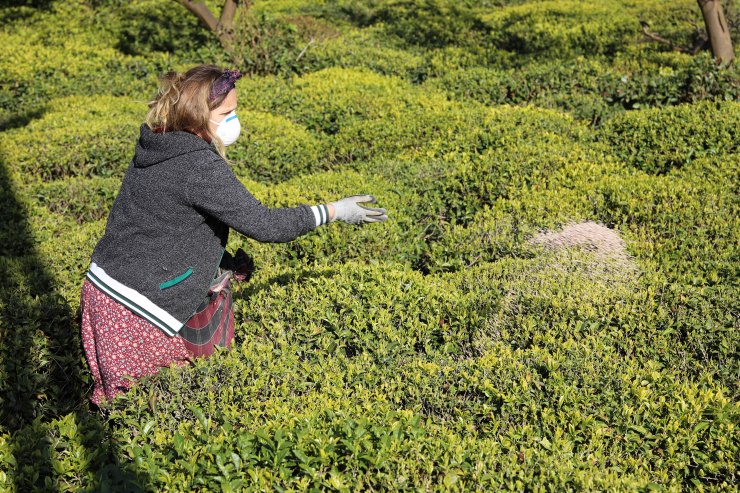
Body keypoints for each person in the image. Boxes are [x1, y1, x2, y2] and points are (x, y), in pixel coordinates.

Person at [79, 64, 387, 406]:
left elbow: (164, 224)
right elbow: (265, 224)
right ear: (199, 115)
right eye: (227, 112)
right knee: (159, 408)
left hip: (102, 290)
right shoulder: (197, 165)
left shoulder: (161, 144)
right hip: (135, 308)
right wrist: (333, 211)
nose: (234, 120)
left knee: (127, 409)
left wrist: (219, 259)